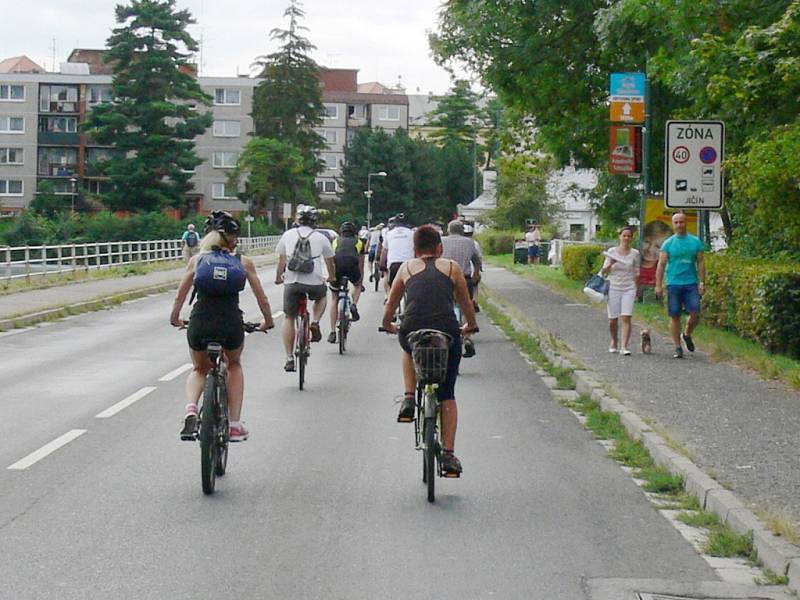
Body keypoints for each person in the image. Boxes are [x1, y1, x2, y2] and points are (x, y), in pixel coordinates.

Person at [382, 225, 478, 476]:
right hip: (447, 331)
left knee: (407, 345)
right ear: (440, 248)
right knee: (448, 393)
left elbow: (392, 303)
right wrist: (471, 326)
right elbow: (466, 303)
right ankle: (448, 454)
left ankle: (409, 397)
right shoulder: (452, 268)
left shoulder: (406, 268)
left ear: (415, 250)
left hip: (412, 328)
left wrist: (387, 325)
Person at [170, 211, 275, 442]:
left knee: (199, 369)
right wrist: (268, 320)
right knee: (234, 364)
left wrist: (175, 318)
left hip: (200, 321)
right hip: (230, 323)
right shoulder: (243, 262)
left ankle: (190, 410)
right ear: (232, 239)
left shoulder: (197, 260)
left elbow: (181, 295)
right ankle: (234, 425)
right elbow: (263, 299)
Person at [275, 206, 336, 372]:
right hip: (314, 281)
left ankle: (289, 358)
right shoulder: (321, 237)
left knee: (289, 317)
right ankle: (315, 322)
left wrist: (278, 278)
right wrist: (331, 277)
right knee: (322, 296)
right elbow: (330, 262)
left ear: (297, 219)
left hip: (292, 281)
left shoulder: (288, 235)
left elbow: (282, 261)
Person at [655, 212, 706, 359]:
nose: (679, 225)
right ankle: (677, 347)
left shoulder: (695, 242)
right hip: (673, 283)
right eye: (676, 222)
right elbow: (661, 265)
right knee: (675, 315)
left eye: (681, 222)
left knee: (695, 312)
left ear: (686, 223)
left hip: (691, 283)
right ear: (673, 224)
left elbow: (701, 262)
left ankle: (687, 333)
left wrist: (702, 282)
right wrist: (658, 284)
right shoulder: (668, 244)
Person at [441, 219, 482, 358]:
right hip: (464, 279)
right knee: (466, 306)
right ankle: (468, 336)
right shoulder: (470, 242)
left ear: (448, 230)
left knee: (443, 306)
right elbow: (477, 261)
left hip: (445, 278)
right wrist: (476, 273)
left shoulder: (442, 241)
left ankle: (442, 334)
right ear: (463, 231)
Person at [601, 226, 641, 355]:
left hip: (629, 287)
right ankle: (614, 340)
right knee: (613, 319)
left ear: (632, 238)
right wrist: (611, 263)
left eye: (629, 236)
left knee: (626, 317)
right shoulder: (612, 251)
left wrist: (637, 289)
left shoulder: (635, 253)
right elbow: (604, 271)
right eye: (624, 236)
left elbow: (637, 272)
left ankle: (624, 346)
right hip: (614, 287)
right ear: (620, 237)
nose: (626, 238)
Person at [327, 221, 366, 343]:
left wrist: (331, 275)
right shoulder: (359, 242)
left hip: (337, 268)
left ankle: (333, 331)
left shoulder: (335, 241)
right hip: (352, 267)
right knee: (357, 286)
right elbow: (361, 263)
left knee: (334, 299)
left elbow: (331, 259)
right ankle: (354, 304)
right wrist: (360, 280)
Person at [380, 213, 414, 297]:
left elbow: (384, 251)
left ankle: (389, 298)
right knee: (412, 286)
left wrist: (381, 265)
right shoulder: (412, 233)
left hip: (393, 264)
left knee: (390, 285)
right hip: (408, 265)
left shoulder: (389, 234)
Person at [463, 222, 483, 312]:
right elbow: (479, 257)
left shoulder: (461, 243)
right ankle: (475, 301)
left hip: (463, 270)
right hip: (472, 269)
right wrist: (479, 270)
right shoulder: (475, 243)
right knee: (475, 285)